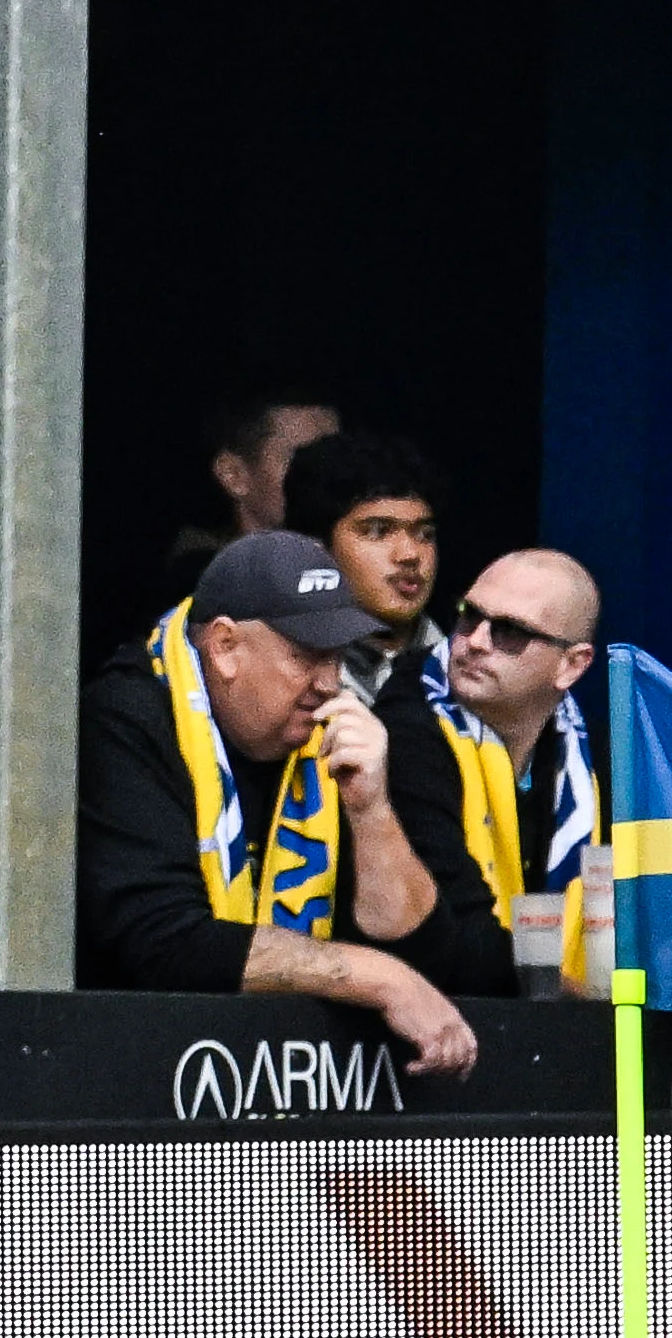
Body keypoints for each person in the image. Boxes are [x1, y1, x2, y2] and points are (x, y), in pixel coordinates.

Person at [76, 529, 480, 1076]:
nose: (328, 684)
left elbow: (428, 958)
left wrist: (372, 811)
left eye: (336, 658)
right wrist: (377, 979)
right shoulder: (129, 715)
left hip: (294, 1088)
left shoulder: (332, 735)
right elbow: (164, 941)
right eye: (305, 656)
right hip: (131, 1080)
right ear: (224, 648)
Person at [377, 550, 603, 997]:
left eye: (510, 631)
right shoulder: (403, 731)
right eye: (469, 615)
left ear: (571, 665)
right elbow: (457, 940)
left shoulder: (590, 750)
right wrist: (590, 1009)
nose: (476, 641)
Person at [144, 395, 341, 632]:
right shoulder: (200, 588)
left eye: (337, 456)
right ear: (233, 474)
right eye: (301, 458)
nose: (330, 475)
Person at [283, 430, 442, 703]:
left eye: (424, 534)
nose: (410, 554)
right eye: (378, 531)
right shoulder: (281, 675)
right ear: (316, 549)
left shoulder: (469, 668)